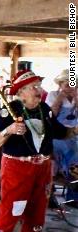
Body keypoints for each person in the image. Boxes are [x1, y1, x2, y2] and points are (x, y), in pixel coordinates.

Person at [0, 69, 78, 232]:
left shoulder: (44, 109)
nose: (39, 90)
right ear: (21, 92)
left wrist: (74, 129)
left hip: (42, 171)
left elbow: (62, 132)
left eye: (39, 85)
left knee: (36, 222)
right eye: (34, 87)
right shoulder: (9, 110)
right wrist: (9, 130)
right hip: (17, 171)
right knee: (7, 220)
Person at [45, 69, 78, 202]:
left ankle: (74, 194)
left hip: (74, 135)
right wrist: (60, 98)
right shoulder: (53, 95)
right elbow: (50, 116)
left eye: (73, 84)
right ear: (60, 84)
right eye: (67, 84)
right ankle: (50, 194)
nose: (70, 87)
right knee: (71, 154)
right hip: (57, 135)